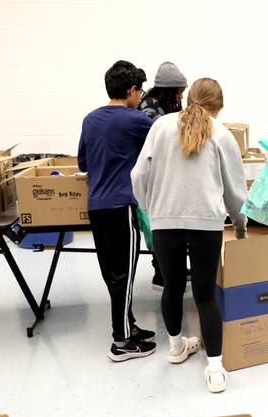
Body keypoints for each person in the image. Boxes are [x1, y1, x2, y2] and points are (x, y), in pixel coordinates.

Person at [131, 78, 248, 393]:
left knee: (171, 286)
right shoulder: (221, 134)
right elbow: (235, 189)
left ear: (188, 99)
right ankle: (215, 369)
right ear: (217, 106)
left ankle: (175, 347)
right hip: (205, 223)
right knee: (205, 294)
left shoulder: (162, 126)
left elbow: (138, 173)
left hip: (164, 221)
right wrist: (239, 223)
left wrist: (149, 207)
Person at [77, 60, 156, 362]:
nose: (141, 97)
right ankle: (121, 341)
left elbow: (83, 163)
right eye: (140, 91)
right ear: (132, 90)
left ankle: (129, 326)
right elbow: (164, 147)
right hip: (122, 206)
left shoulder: (89, 119)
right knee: (125, 274)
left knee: (113, 275)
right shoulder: (136, 120)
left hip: (96, 207)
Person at [137, 61, 188, 291]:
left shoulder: (171, 104)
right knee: (158, 228)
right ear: (169, 89)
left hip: (171, 173)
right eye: (179, 91)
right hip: (155, 175)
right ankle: (161, 274)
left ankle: (174, 269)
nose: (181, 95)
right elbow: (161, 136)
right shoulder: (149, 106)